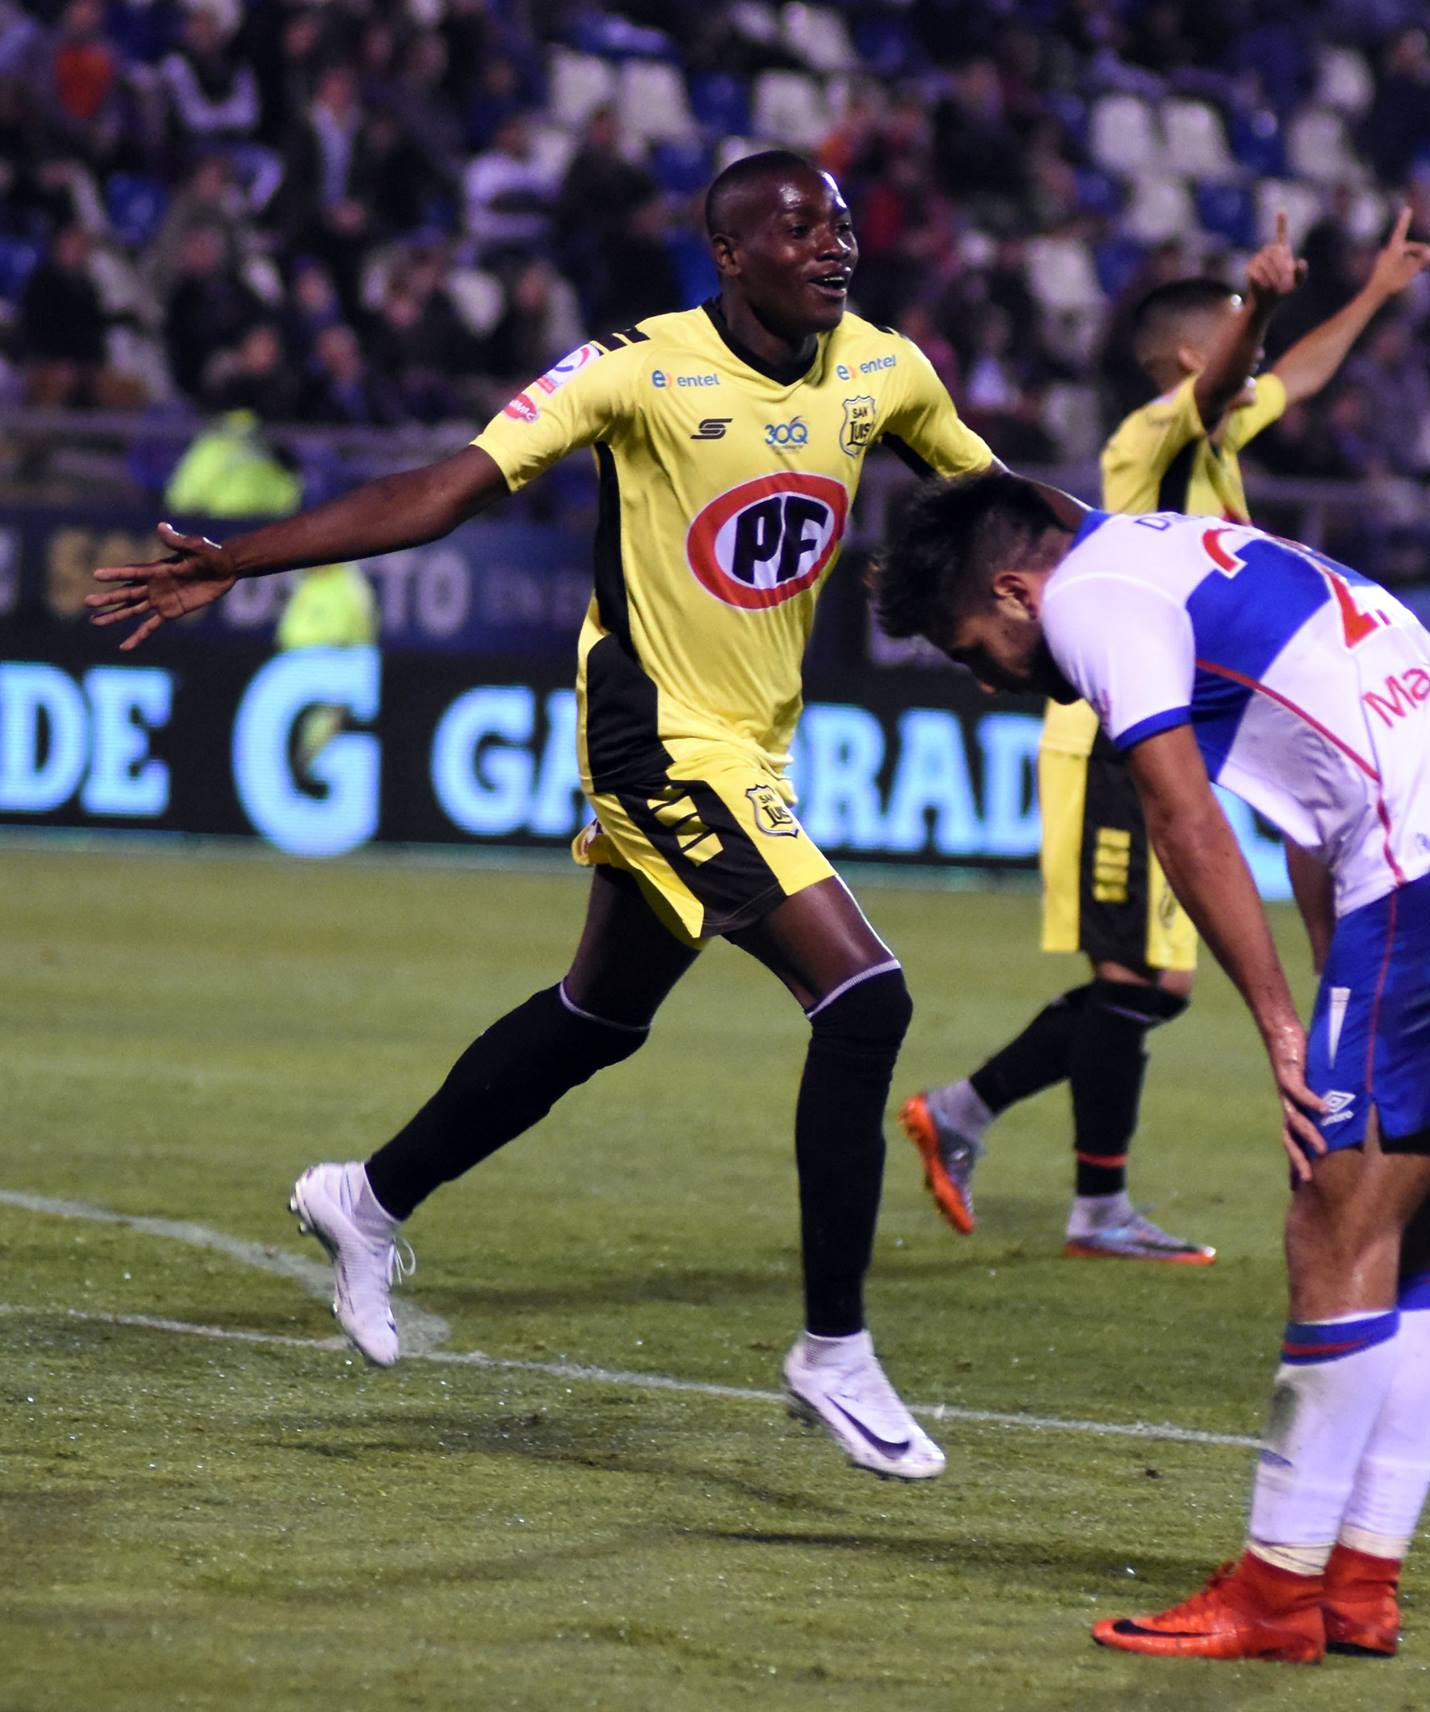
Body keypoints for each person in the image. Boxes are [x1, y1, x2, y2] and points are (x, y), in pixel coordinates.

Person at [86, 151, 997, 1484]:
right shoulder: (637, 367)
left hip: (752, 745)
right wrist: (243, 557)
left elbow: (997, 508)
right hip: (656, 741)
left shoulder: (887, 370)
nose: (833, 243)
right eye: (799, 227)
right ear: (729, 255)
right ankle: (833, 1349)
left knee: (597, 1021)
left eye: (844, 222)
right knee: (864, 1000)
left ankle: (367, 1197)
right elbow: (443, 491)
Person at [870, 473, 1430, 1662]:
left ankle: (1273, 1591)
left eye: (974, 648)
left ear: (1013, 588)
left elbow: (1180, 816)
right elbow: (1302, 808)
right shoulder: (1192, 550)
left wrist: (1274, 1025)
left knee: (1328, 1227)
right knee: (1409, 1234)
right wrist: (1328, 991)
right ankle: (1356, 1580)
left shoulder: (1093, 601)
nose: (993, 675)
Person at [899, 211, 1430, 1263]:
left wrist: (1370, 294)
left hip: (1162, 729)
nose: (1260, 360)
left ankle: (968, 1114)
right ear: (1197, 357)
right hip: (1112, 737)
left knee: (1149, 981)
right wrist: (1265, 305)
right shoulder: (1149, 434)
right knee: (1145, 978)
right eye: (1241, 337)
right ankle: (1074, 1192)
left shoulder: (1219, 438)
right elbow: (1225, 375)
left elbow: (1298, 377)